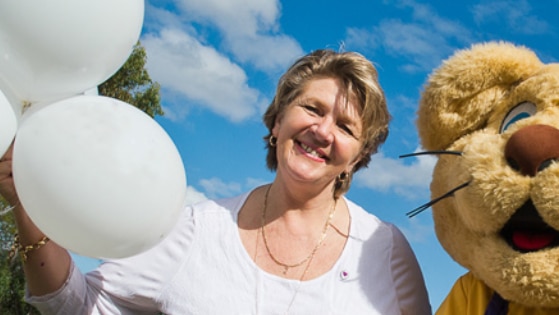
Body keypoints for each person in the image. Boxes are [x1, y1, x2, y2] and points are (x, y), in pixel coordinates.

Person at [0, 49, 431, 314]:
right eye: (313, 109)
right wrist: (28, 204)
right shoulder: (197, 230)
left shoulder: (385, 250)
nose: (323, 131)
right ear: (278, 121)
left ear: (356, 159)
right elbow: (76, 305)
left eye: (346, 127)